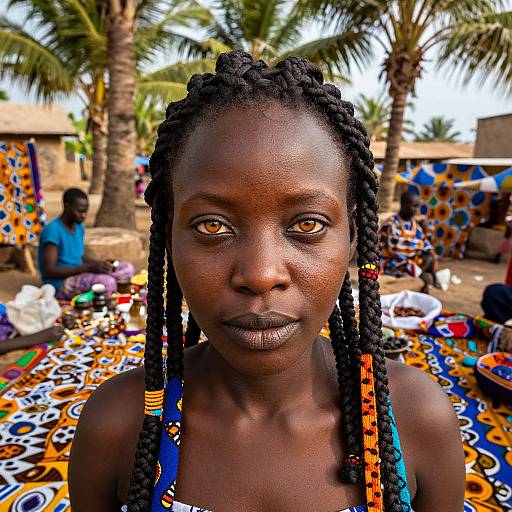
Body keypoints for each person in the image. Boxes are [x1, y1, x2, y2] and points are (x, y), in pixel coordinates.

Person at [69, 52, 464, 512]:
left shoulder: (415, 418)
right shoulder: (119, 424)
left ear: (353, 236)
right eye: (212, 226)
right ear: (168, 239)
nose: (261, 274)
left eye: (309, 225)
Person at [37, 188, 135, 299]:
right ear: (66, 206)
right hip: (60, 283)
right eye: (80, 211)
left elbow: (79, 255)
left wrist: (100, 264)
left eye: (85, 211)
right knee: (107, 283)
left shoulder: (79, 227)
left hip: (80, 273)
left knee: (127, 269)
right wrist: (88, 268)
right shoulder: (52, 230)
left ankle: (107, 294)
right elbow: (49, 271)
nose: (84, 215)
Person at [380, 191, 437, 289]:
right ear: (403, 205)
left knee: (429, 257)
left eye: (417, 206)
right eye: (413, 206)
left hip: (411, 260)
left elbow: (424, 243)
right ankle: (419, 277)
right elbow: (393, 249)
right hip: (394, 262)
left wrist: (426, 250)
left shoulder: (415, 226)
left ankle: (419, 275)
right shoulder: (392, 223)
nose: (416, 210)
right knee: (412, 268)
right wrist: (414, 250)